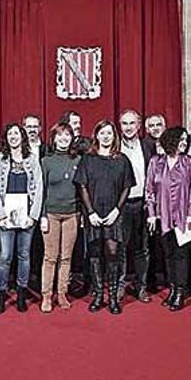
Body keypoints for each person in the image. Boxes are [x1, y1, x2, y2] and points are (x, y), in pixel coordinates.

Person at [74, 121, 135, 315]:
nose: (106, 136)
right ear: (97, 135)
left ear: (114, 136)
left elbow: (127, 186)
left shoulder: (122, 159)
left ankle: (113, 298)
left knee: (113, 253)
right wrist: (90, 212)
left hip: (114, 213)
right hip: (93, 212)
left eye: (109, 133)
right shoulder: (88, 159)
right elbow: (82, 185)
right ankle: (99, 295)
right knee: (94, 253)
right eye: (102, 133)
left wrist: (117, 210)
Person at [0, 123, 43, 313]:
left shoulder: (32, 159)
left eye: (17, 133)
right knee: (5, 256)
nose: (14, 137)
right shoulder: (0, 159)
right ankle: (1, 294)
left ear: (22, 136)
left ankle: (21, 293)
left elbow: (39, 188)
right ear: (6, 137)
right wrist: (0, 216)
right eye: (10, 133)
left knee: (24, 255)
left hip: (27, 217)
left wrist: (33, 216)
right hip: (6, 217)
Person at [146, 127, 191, 313]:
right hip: (162, 216)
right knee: (168, 255)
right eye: (180, 139)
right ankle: (172, 288)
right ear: (171, 140)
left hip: (184, 216)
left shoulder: (189, 163)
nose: (184, 143)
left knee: (181, 255)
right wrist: (151, 214)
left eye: (186, 140)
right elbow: (150, 189)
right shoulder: (156, 162)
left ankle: (180, 292)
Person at [40, 122, 81, 312]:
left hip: (71, 214)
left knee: (66, 258)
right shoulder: (46, 162)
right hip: (51, 214)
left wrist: (80, 215)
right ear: (54, 138)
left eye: (67, 135)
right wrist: (42, 216)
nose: (64, 139)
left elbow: (82, 190)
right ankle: (47, 296)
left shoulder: (78, 160)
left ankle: (62, 293)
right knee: (50, 257)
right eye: (60, 135)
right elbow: (40, 191)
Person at [118, 109, 156, 303]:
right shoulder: (114, 147)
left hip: (142, 204)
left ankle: (141, 287)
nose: (129, 127)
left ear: (139, 126)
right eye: (125, 123)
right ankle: (119, 287)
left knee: (142, 249)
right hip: (121, 205)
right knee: (120, 248)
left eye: (132, 123)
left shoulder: (148, 146)